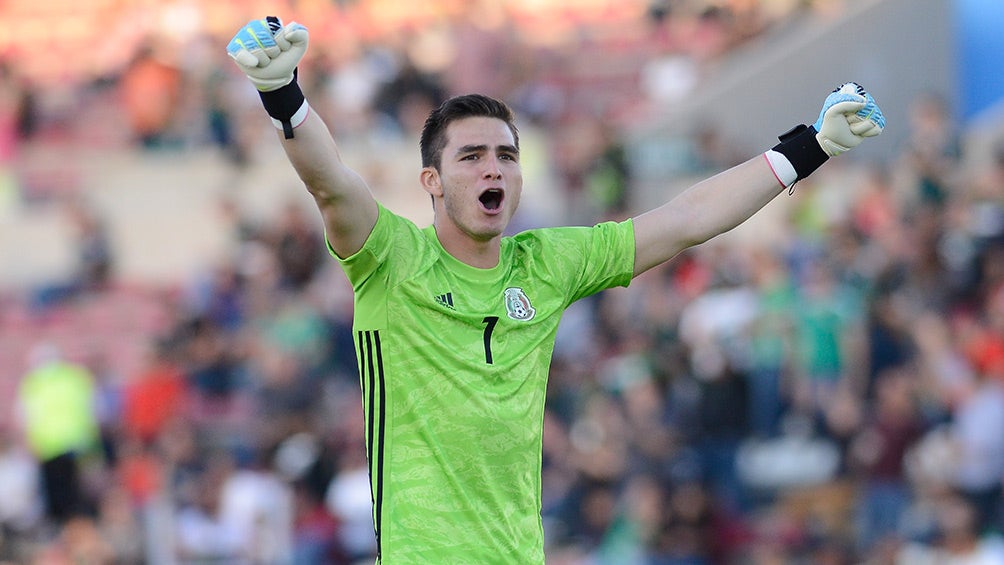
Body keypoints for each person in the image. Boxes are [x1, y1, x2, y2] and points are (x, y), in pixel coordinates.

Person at [226, 16, 885, 563]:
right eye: (472, 156)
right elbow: (332, 182)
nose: (494, 169)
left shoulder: (548, 261)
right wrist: (283, 92)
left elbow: (686, 220)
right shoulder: (390, 257)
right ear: (431, 182)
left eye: (506, 156)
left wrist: (812, 146)